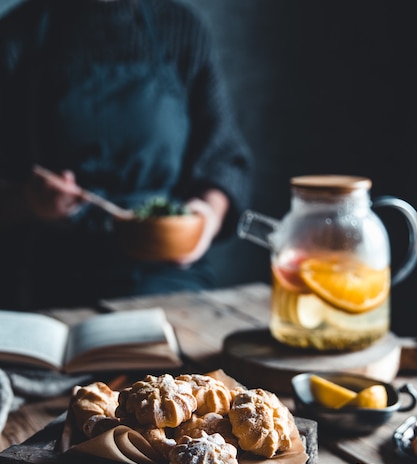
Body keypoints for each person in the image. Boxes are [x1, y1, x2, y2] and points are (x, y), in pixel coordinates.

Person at [0, 0, 251, 309]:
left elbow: (224, 160)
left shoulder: (181, 28)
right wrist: (27, 199)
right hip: (48, 273)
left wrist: (206, 218)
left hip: (164, 271)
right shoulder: (18, 34)